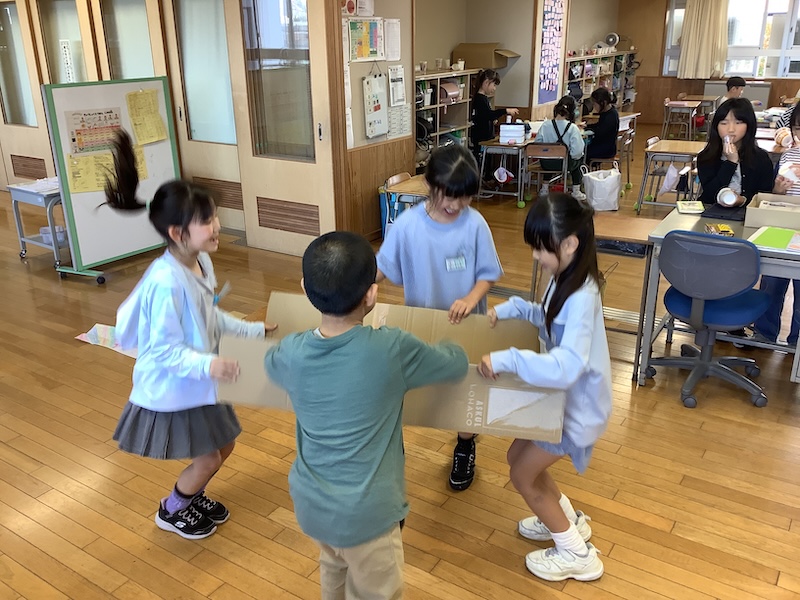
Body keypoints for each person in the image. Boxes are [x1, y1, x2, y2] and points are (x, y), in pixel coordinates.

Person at [265, 231, 468, 599]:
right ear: (372, 295)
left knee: (334, 567)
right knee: (377, 590)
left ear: (305, 289)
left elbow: (270, 361)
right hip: (369, 515)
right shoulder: (391, 349)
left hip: (312, 506)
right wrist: (453, 343)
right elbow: (454, 365)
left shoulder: (291, 352)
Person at [106, 130, 276, 539]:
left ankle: (192, 494)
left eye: (215, 216)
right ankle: (172, 508)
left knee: (225, 446)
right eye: (206, 221)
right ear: (177, 233)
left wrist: (252, 330)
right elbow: (164, 351)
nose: (217, 226)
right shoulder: (166, 283)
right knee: (208, 459)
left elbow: (210, 317)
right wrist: (210, 365)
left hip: (198, 379)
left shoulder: (200, 263)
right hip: (175, 386)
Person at [477, 193, 611, 582]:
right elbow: (547, 317)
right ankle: (567, 519)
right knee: (516, 456)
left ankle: (577, 554)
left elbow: (567, 365)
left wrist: (508, 359)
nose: (536, 256)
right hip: (560, 402)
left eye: (540, 248)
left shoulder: (582, 296)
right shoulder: (566, 279)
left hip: (577, 410)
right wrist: (513, 309)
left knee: (523, 476)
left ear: (569, 244)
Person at [376, 143, 503, 491]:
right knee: (408, 387)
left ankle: (465, 445)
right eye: (449, 196)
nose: (456, 205)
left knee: (466, 387)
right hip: (422, 323)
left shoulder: (475, 225)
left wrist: (471, 298)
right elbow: (382, 267)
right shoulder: (407, 225)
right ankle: (392, 450)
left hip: (467, 325)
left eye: (465, 198)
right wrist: (355, 289)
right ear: (430, 186)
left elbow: (488, 273)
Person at [749, 106, 800, 346]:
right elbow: (774, 197)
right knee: (771, 284)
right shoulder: (789, 156)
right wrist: (778, 189)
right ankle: (764, 332)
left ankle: (796, 341)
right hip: (782, 229)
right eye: (798, 128)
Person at [697, 98, 775, 207]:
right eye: (724, 123)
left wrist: (743, 200)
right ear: (716, 126)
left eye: (738, 123)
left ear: (749, 125)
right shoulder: (706, 156)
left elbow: (763, 196)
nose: (731, 129)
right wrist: (730, 163)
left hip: (748, 213)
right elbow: (710, 196)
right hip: (712, 211)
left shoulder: (761, 158)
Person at [535, 95, 586, 200]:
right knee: (578, 161)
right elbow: (577, 151)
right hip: (566, 164)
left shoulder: (545, 125)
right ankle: (576, 191)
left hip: (547, 163)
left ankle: (544, 189)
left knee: (549, 157)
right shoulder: (572, 128)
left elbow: (537, 144)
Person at [471, 68, 519, 172]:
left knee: (487, 163)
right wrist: (505, 110)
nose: (494, 88)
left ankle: (487, 177)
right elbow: (488, 115)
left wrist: (492, 120)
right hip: (481, 138)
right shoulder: (480, 99)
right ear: (486, 82)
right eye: (494, 85)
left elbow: (486, 115)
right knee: (482, 164)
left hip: (486, 137)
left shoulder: (483, 98)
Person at [584, 87, 619, 162]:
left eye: (595, 104)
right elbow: (599, 126)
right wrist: (586, 126)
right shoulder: (608, 112)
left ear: (603, 103)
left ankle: (584, 168)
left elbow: (600, 132)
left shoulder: (610, 116)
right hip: (605, 146)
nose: (594, 107)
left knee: (581, 151)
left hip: (605, 149)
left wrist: (588, 129)